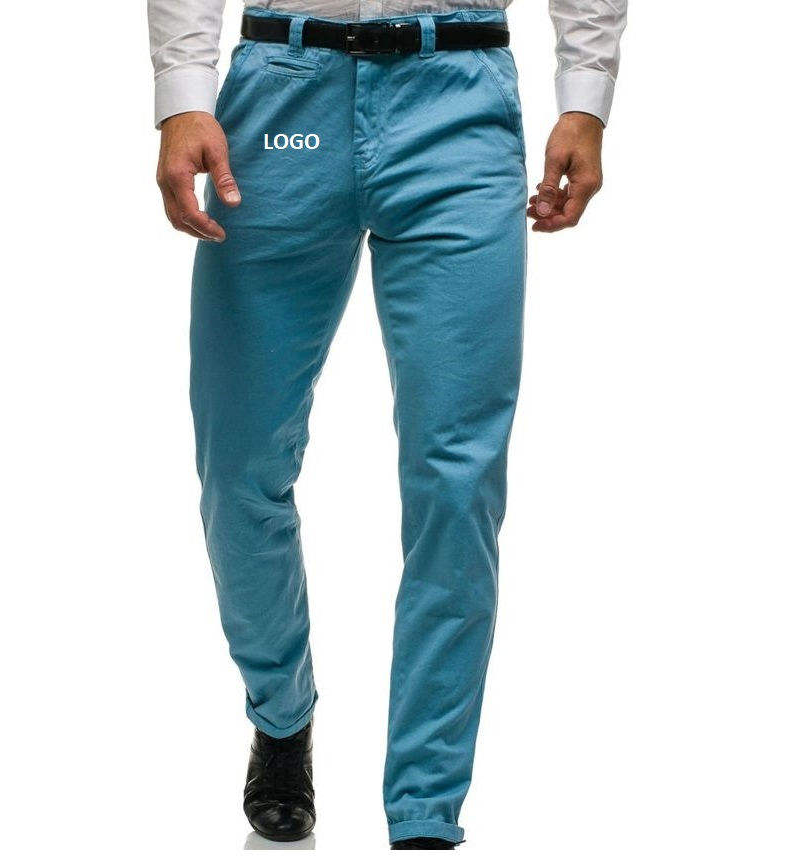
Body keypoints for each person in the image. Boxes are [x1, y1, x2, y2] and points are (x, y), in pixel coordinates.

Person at [148, 0, 626, 847]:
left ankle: (426, 807)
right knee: (239, 463)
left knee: (457, 479)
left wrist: (585, 96)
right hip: (283, 97)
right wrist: (183, 93)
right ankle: (281, 716)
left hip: (458, 101)